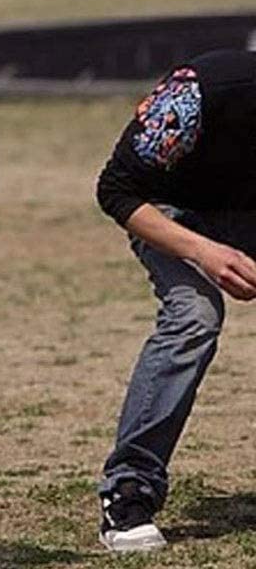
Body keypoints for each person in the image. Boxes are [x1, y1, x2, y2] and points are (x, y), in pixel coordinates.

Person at [95, 49, 256, 552]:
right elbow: (116, 191)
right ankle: (129, 491)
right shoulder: (199, 92)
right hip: (172, 214)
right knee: (195, 315)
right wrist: (205, 253)